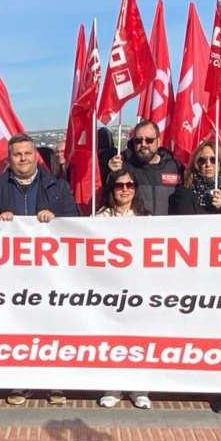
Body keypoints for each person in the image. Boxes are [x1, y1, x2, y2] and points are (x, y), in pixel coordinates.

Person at [0, 134, 79, 405]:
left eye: (27, 153)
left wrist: (56, 220)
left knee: (52, 328)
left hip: (51, 274)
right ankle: (19, 382)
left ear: (35, 155)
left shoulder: (57, 186)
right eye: (16, 154)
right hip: (13, 276)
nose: (22, 159)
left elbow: (75, 223)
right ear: (9, 158)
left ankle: (54, 384)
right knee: (18, 329)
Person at [95, 168, 152, 409]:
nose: (125, 190)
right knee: (112, 338)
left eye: (130, 185)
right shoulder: (99, 219)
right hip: (110, 289)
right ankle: (112, 387)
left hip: (139, 290)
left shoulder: (146, 219)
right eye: (120, 186)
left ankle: (140, 389)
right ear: (112, 189)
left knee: (138, 339)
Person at [106, 120, 183, 215]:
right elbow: (110, 197)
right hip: (138, 227)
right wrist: (109, 172)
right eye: (138, 140)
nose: (143, 144)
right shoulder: (125, 167)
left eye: (149, 140)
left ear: (158, 141)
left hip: (168, 228)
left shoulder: (175, 166)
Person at [169, 140, 221, 215]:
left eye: (213, 160)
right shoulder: (185, 190)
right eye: (202, 160)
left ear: (220, 162)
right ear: (196, 163)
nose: (208, 164)